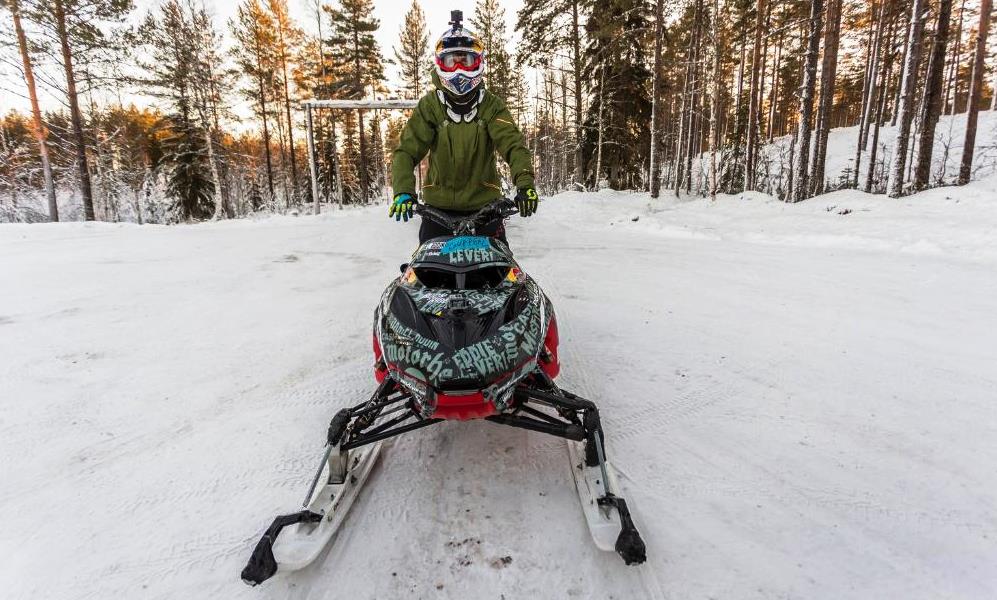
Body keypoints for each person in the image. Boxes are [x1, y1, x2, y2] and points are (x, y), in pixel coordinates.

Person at [389, 10, 539, 244]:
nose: (459, 69)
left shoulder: (491, 106)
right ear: (441, 64)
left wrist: (525, 185)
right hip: (437, 211)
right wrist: (403, 191)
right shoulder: (430, 106)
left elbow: (513, 146)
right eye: (452, 61)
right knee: (424, 274)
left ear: (477, 63)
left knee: (501, 273)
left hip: (486, 209)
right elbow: (407, 151)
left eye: (466, 60)